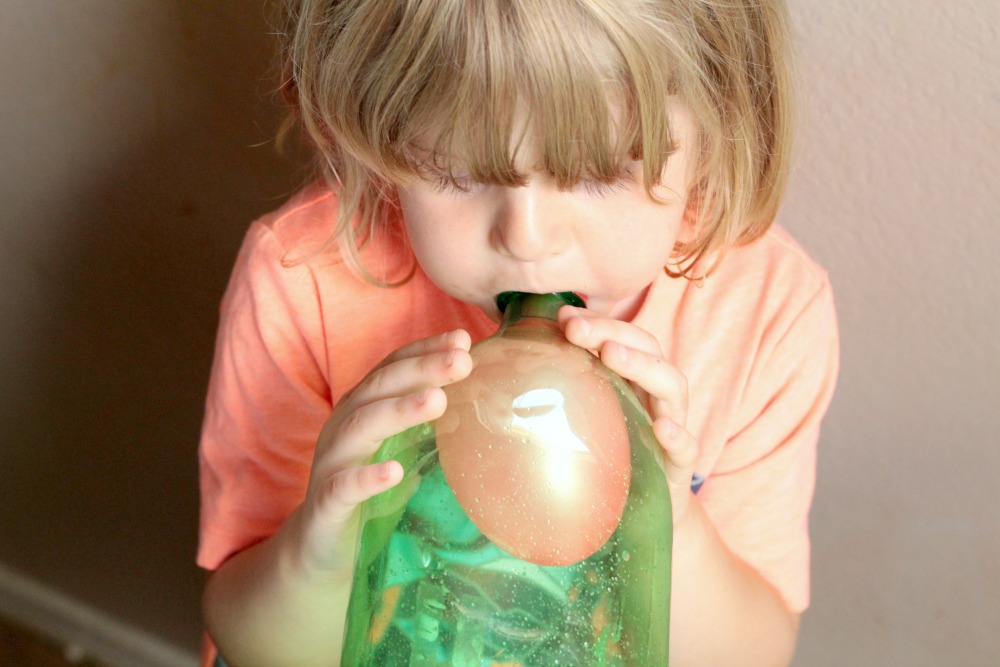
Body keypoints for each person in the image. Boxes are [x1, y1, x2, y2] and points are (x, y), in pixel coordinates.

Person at [198, 0, 839, 665]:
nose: (526, 236)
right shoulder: (303, 280)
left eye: (599, 171)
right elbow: (250, 639)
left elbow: (753, 653)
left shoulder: (766, 313)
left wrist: (671, 520)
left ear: (718, 134)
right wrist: (315, 558)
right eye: (454, 168)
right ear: (379, 132)